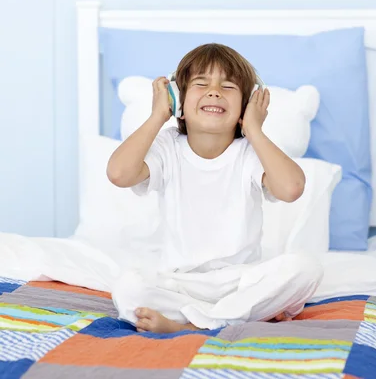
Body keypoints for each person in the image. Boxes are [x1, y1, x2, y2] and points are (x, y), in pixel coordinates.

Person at [107, 43, 323, 333]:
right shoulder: (167, 146)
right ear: (178, 101)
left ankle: (194, 325)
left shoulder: (250, 152)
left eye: (228, 86)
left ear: (245, 108)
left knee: (306, 268)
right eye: (201, 83)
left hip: (240, 282)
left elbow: (291, 188)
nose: (214, 92)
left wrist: (254, 130)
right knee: (128, 288)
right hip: (179, 283)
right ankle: (231, 318)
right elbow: (119, 173)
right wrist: (158, 115)